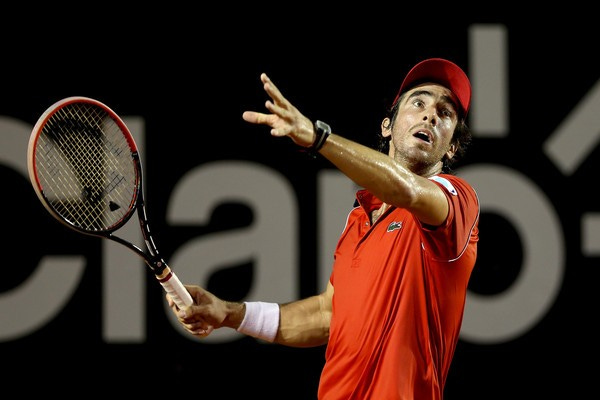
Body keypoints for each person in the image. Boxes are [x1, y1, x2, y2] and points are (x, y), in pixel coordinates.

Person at [168, 57, 480, 399]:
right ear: (387, 126)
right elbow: (328, 313)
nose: (430, 114)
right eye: (418, 102)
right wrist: (229, 313)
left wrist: (318, 138)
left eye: (445, 112)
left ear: (451, 147)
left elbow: (405, 188)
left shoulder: (457, 202)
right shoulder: (358, 219)